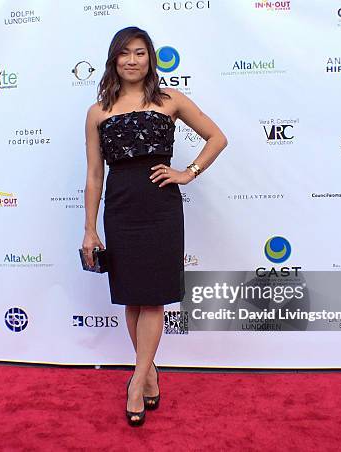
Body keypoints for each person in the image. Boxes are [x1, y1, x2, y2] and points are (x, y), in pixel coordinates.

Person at [81, 26, 227, 426]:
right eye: (125, 53)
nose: (132, 60)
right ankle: (149, 373)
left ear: (151, 59)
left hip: (161, 207)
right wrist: (90, 229)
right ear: (114, 60)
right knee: (132, 297)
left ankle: (136, 380)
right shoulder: (98, 112)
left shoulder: (170, 100)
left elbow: (216, 137)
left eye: (140, 53)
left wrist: (188, 172)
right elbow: (95, 176)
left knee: (154, 298)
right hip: (121, 208)